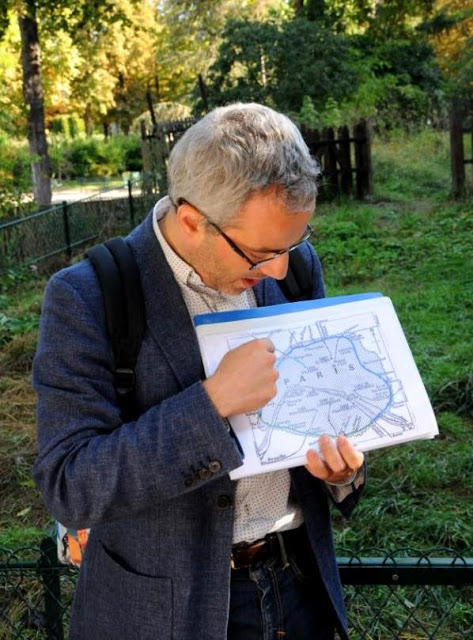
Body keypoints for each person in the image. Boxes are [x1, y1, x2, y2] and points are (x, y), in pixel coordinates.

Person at [33, 103, 365, 640]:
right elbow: (70, 483)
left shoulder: (294, 267)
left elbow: (321, 411)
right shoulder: (89, 295)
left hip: (299, 587)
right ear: (191, 221)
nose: (278, 270)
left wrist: (340, 471)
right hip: (165, 608)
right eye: (259, 254)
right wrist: (211, 405)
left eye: (292, 245)